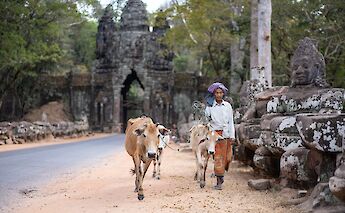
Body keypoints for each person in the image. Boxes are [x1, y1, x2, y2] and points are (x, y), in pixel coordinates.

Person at [205, 82, 235, 190]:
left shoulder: (227, 106)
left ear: (223, 94)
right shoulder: (210, 107)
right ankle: (219, 180)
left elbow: (231, 121)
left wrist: (232, 136)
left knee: (228, 158)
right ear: (214, 94)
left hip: (226, 134)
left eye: (220, 92)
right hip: (215, 135)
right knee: (218, 158)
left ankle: (221, 174)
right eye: (217, 93)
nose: (218, 95)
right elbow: (206, 120)